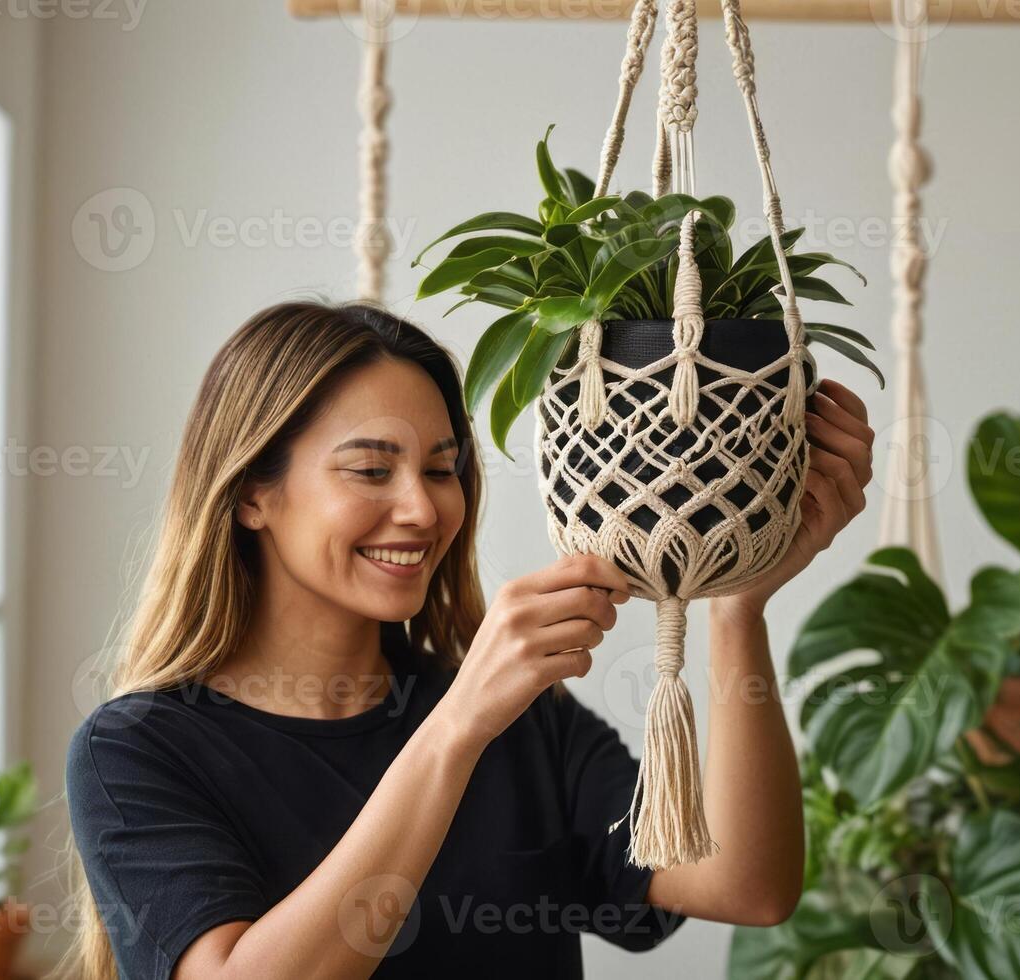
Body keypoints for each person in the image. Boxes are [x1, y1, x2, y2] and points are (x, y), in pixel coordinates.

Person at [60, 300, 875, 979]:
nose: (421, 508)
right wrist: (455, 728)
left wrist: (736, 598)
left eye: (442, 468)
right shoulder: (138, 750)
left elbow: (745, 885)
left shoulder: (525, 723)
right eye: (371, 470)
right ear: (250, 496)